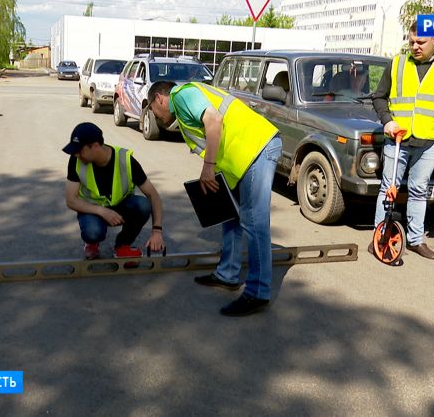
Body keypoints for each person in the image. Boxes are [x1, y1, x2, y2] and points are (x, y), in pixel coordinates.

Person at [147, 80, 281, 317]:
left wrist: (208, 167)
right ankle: (227, 274)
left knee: (254, 222)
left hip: (255, 149)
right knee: (229, 214)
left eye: (152, 109)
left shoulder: (181, 95)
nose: (155, 116)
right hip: (240, 158)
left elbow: (214, 120)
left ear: (159, 98)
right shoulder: (183, 105)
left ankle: (258, 293)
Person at [370, 21, 434, 260]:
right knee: (387, 190)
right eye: (411, 41)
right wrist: (387, 120)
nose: (415, 46)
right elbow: (379, 97)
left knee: (419, 191)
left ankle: (415, 240)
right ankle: (379, 238)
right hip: (398, 139)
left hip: (428, 142)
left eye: (420, 42)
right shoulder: (398, 63)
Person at [63, 122, 165, 261]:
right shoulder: (76, 161)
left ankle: (123, 245)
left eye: (79, 150)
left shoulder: (125, 160)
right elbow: (71, 200)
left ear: (95, 146)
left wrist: (157, 231)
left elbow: (153, 195)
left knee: (143, 205)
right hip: (92, 210)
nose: (76, 154)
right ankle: (92, 242)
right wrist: (102, 211)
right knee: (93, 232)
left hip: (121, 207)